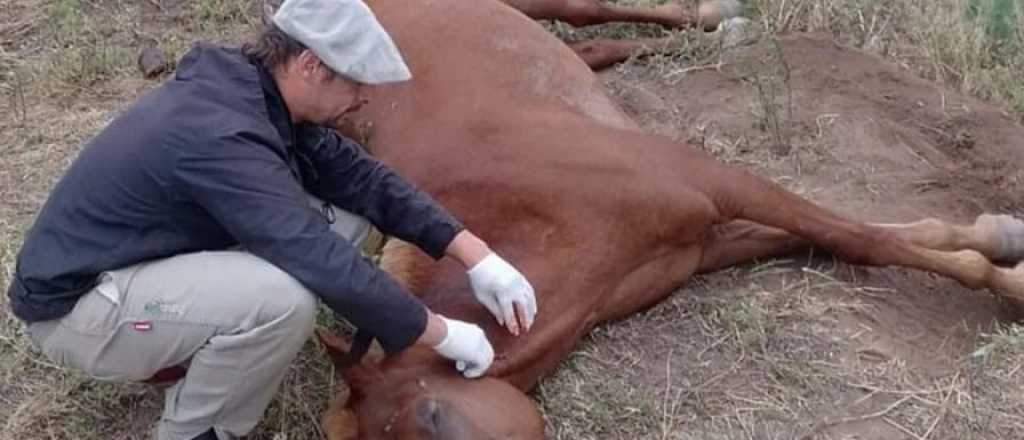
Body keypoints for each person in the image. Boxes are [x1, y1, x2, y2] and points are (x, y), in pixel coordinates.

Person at [5, 0, 538, 438]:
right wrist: (441, 334)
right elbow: (311, 252)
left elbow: (364, 180)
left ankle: (199, 346)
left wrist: (478, 256)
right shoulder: (222, 134)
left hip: (138, 260)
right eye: (354, 84)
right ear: (309, 65)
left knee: (346, 219)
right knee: (283, 300)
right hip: (79, 309)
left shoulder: (255, 91)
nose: (363, 99)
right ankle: (199, 430)